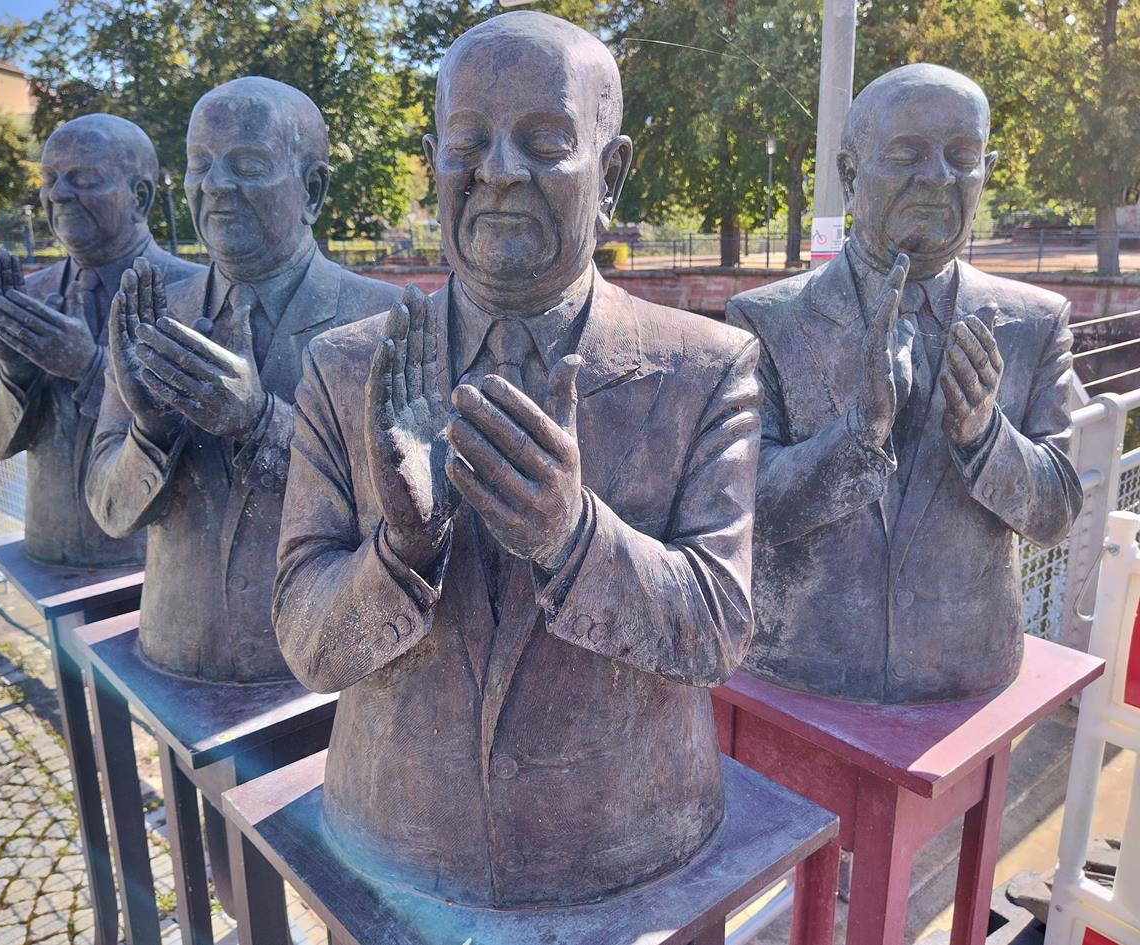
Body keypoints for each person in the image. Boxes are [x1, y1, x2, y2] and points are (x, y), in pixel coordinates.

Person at [274, 12, 760, 907]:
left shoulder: (707, 369)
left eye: (544, 141)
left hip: (628, 848)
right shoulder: (343, 369)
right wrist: (402, 551)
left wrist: (574, 540)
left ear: (610, 174)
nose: (498, 170)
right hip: (393, 841)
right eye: (469, 142)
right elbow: (306, 642)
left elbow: (719, 628)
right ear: (435, 162)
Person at [728, 64, 1082, 704]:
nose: (938, 176)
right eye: (907, 154)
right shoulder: (764, 320)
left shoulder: (1035, 323)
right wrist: (858, 436)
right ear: (849, 175)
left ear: (986, 172)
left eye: (961, 157)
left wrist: (986, 437)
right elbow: (743, 511)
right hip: (802, 667)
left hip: (969, 672)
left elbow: (1055, 514)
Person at [86, 77, 400, 682]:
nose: (216, 186)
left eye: (248, 165)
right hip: (172, 647)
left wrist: (260, 423)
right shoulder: (152, 312)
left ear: (312, 189)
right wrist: (150, 431)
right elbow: (109, 509)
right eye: (199, 165)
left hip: (323, 671)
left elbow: (404, 518)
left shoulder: (384, 319)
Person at [0, 114, 201, 567]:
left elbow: (202, 444)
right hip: (48, 550)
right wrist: (15, 375)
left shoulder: (197, 295)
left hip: (152, 564)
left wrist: (88, 365)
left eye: (83, 178)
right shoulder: (29, 295)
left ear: (140, 196)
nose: (58, 194)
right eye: (50, 179)